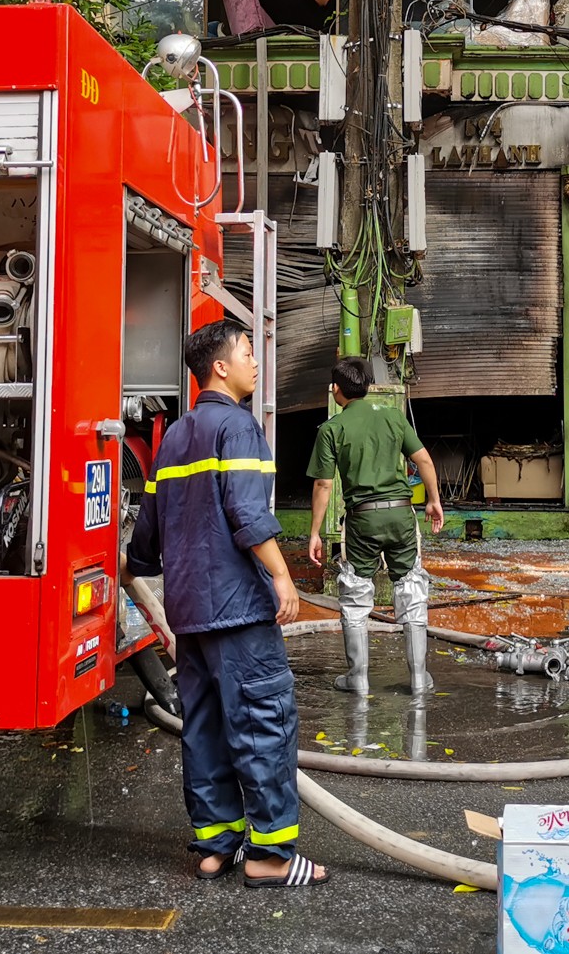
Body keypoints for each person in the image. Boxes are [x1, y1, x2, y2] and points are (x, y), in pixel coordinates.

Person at [125, 319, 328, 889]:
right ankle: (268, 857)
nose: (254, 362)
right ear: (219, 366)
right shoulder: (237, 430)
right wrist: (283, 577)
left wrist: (147, 582)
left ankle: (215, 847)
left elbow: (147, 534)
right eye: (246, 352)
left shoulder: (173, 437)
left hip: (189, 614)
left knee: (206, 727)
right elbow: (248, 515)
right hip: (239, 609)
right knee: (264, 724)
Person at [305, 356, 445, 695]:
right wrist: (433, 499)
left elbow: (324, 485)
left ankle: (359, 678)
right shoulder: (394, 417)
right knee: (411, 588)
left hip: (362, 518)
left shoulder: (331, 429)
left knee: (355, 594)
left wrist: (315, 533)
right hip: (400, 513)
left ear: (336, 389)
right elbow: (424, 459)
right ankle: (418, 679)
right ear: (367, 387)